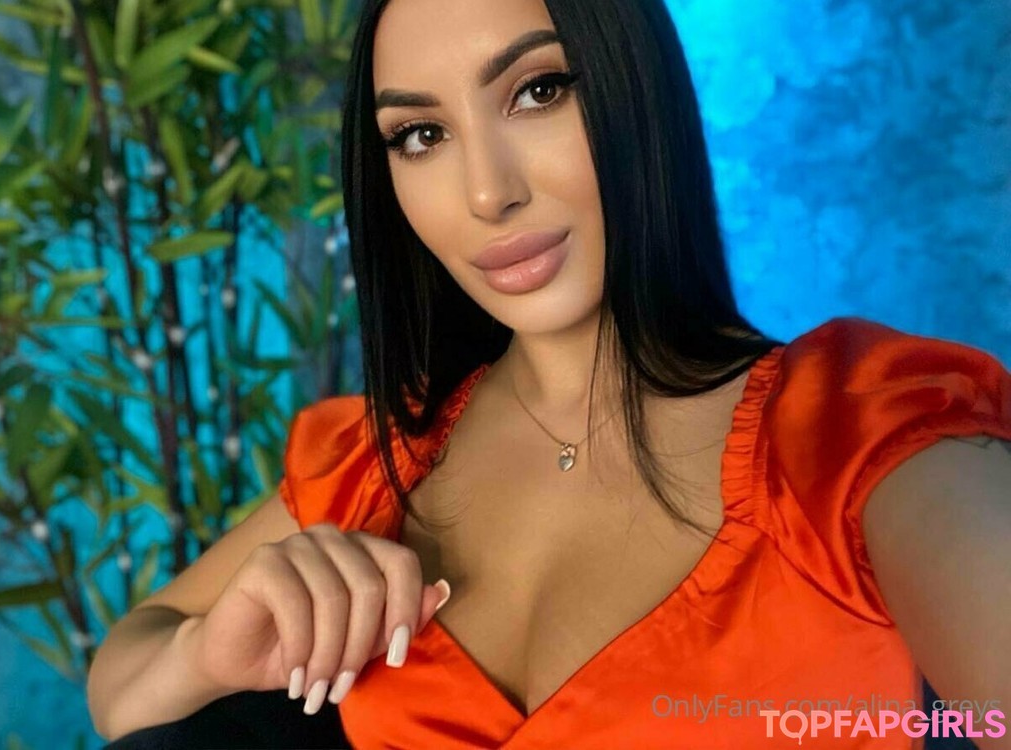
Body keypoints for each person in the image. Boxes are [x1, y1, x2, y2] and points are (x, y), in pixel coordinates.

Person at [87, 0, 1011, 747]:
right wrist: (207, 654)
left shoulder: (861, 426)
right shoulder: (376, 459)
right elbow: (122, 684)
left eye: (538, 90)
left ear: (634, 87)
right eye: (420, 134)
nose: (488, 192)